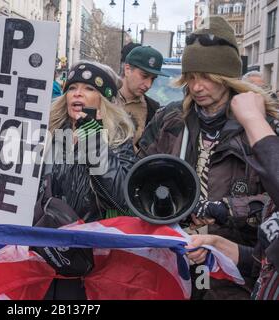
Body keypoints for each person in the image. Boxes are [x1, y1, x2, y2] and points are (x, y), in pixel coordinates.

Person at [138, 16, 279, 299]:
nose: (197, 87)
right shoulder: (170, 119)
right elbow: (140, 175)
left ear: (225, 78)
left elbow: (274, 203)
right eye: (191, 77)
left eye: (206, 77)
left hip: (234, 273)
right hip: (172, 260)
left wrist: (226, 208)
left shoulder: (261, 125)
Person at [40, 60, 137, 299]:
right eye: (73, 87)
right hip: (40, 257)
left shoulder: (117, 141)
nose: (78, 93)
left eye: (89, 88)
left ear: (103, 100)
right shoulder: (47, 134)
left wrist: (92, 139)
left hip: (88, 267)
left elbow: (121, 199)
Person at [187, 92, 279, 299]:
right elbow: (263, 261)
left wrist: (254, 122)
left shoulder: (254, 129)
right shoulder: (174, 119)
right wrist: (219, 246)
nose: (198, 87)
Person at [118, 46, 168, 148]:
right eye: (144, 76)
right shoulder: (102, 99)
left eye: (153, 79)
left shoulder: (153, 109)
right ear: (127, 69)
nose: (148, 85)